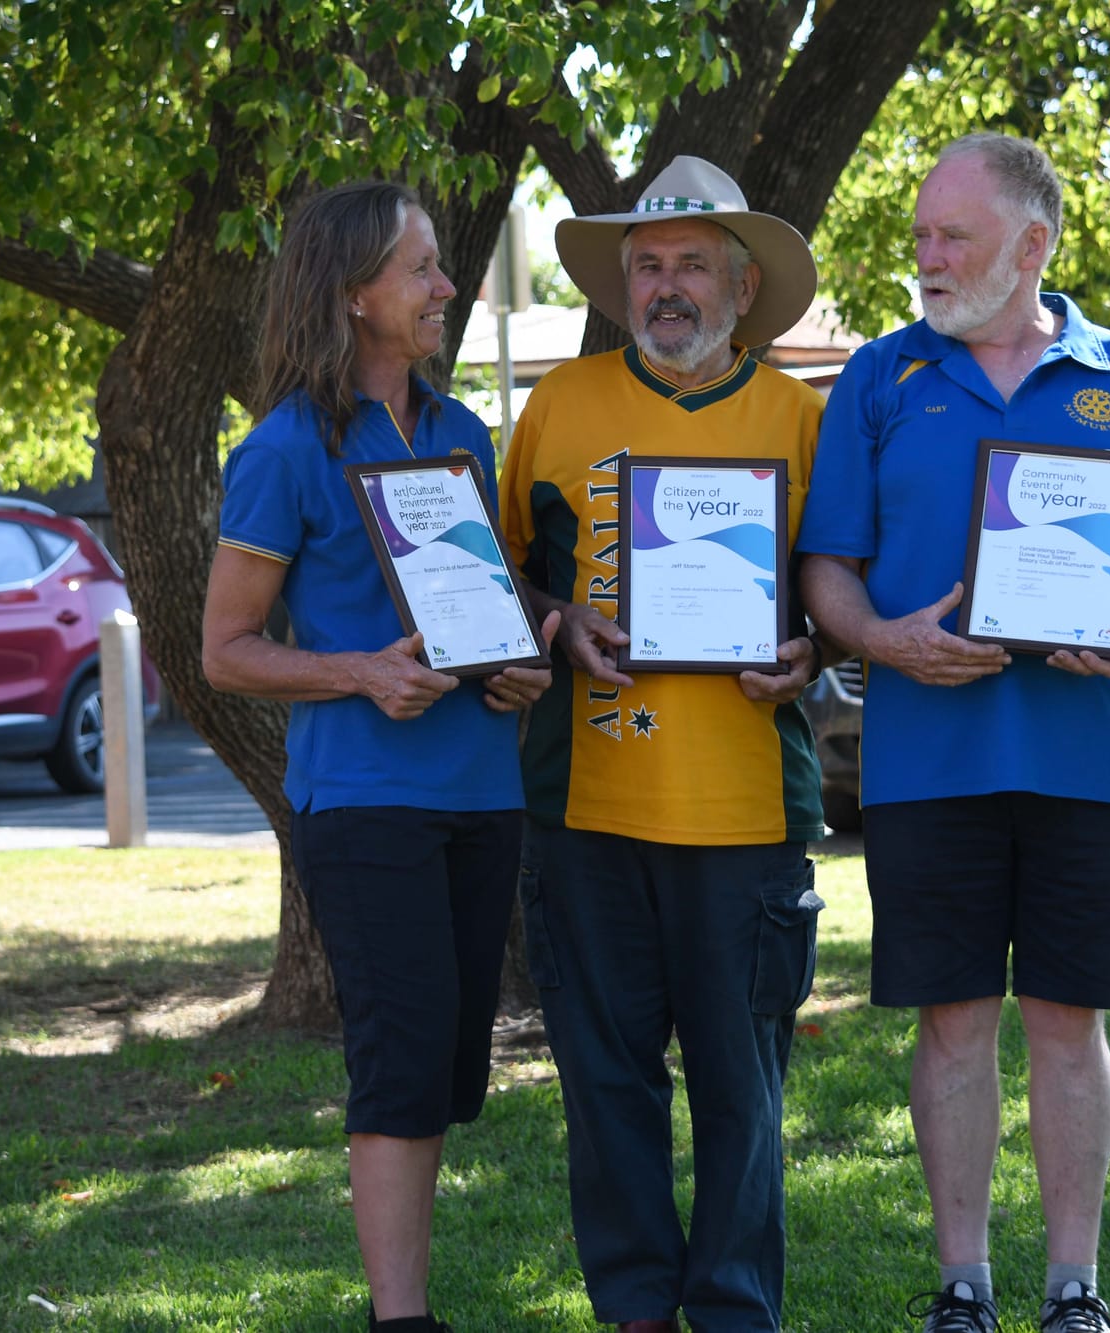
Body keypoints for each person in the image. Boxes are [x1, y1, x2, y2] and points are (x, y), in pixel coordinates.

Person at [798, 132, 1110, 1333]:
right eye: (919, 236)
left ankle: (1073, 1286)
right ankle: (962, 1282)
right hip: (928, 762)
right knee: (951, 1018)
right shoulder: (879, 378)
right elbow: (827, 563)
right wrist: (882, 639)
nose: (924, 257)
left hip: (1085, 762)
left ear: (1031, 246)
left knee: (1068, 1021)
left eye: (950, 237)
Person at [201, 180, 556, 1333]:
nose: (447, 286)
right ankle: (399, 1320)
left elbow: (484, 611)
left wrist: (522, 661)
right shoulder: (282, 449)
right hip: (364, 803)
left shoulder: (460, 435)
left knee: (451, 1066)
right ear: (355, 296)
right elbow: (226, 651)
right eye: (423, 270)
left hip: (478, 792)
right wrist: (359, 670)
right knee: (401, 1061)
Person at [499, 156, 828, 1333]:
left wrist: (811, 652)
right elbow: (493, 577)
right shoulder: (555, 405)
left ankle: (733, 1310)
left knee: (743, 1090)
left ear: (743, 287)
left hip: (746, 809)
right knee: (605, 1080)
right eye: (647, 266)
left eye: (693, 263)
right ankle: (636, 1307)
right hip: (583, 802)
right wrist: (552, 618)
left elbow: (832, 594)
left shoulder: (804, 419)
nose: (667, 286)